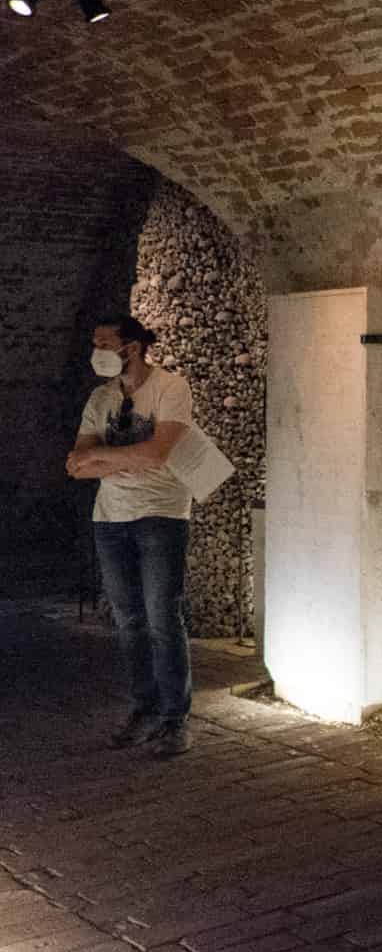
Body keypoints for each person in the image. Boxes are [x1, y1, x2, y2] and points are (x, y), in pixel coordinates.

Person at [65, 315, 195, 758]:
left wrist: (101, 457)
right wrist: (128, 459)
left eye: (104, 341)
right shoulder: (99, 397)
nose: (97, 349)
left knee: (162, 617)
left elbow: (160, 452)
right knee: (130, 620)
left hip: (161, 513)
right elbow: (74, 466)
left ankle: (174, 719)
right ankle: (144, 709)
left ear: (132, 346)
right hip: (111, 518)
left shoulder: (170, 389)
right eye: (95, 341)